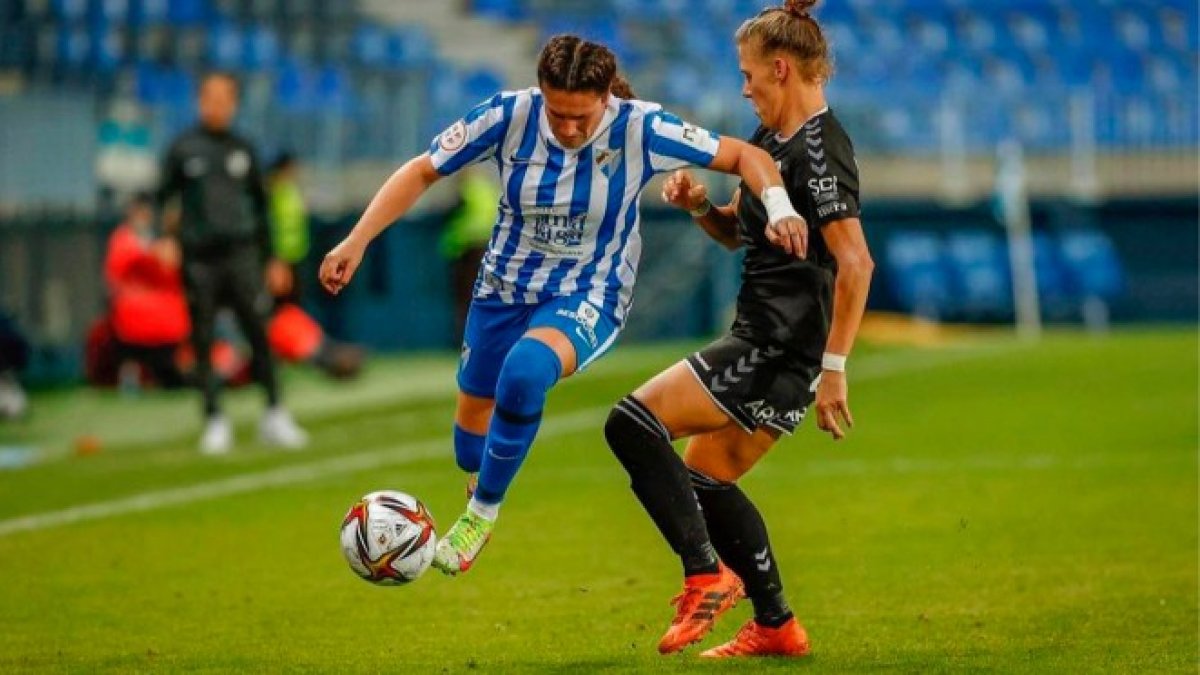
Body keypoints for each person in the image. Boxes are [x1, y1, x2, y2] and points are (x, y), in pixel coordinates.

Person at [320, 34, 809, 577]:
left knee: (525, 373)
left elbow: (749, 155)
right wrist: (356, 241)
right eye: (558, 113)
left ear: (606, 99)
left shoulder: (641, 127)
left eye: (581, 116)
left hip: (588, 292)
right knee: (470, 448)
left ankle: (480, 516)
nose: (569, 128)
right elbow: (421, 170)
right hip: (502, 292)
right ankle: (483, 480)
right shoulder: (506, 115)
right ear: (541, 92)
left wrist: (780, 205)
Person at [603, 0, 875, 658]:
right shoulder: (766, 143)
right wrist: (701, 207)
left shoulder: (817, 149)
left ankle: (705, 573)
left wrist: (833, 368)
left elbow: (856, 261)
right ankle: (777, 624)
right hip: (765, 338)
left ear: (781, 68)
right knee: (705, 481)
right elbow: (738, 234)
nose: (744, 85)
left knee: (630, 423)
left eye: (749, 73)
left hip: (776, 345)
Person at [158, 72, 308, 455]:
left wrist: (272, 258)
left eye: (224, 98)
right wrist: (167, 240)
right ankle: (214, 419)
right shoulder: (182, 148)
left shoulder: (244, 148)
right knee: (203, 338)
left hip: (242, 256)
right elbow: (163, 199)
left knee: (259, 332)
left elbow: (262, 209)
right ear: (199, 101)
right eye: (210, 97)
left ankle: (274, 412)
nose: (217, 105)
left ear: (234, 103)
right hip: (199, 259)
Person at [104, 192, 190, 389]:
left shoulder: (160, 240)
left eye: (146, 211)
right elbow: (118, 272)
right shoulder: (122, 240)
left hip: (165, 308)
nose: (143, 215)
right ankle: (132, 379)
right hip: (134, 305)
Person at [440, 166, 500, 341]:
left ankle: (466, 339)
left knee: (466, 297)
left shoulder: (466, 190)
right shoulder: (488, 189)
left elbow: (455, 215)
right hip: (488, 246)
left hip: (468, 249)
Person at [266, 151, 309, 304]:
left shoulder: (292, 190)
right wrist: (275, 258)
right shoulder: (271, 192)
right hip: (279, 260)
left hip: (296, 256)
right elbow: (268, 226)